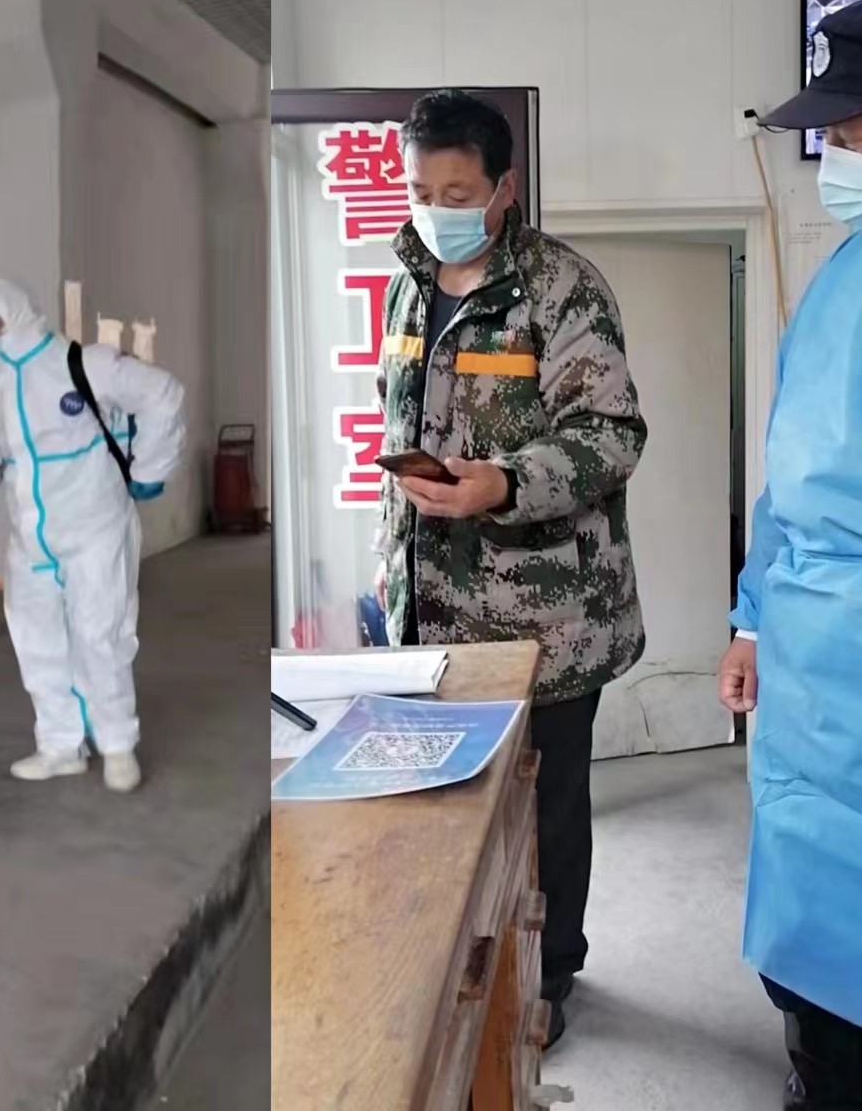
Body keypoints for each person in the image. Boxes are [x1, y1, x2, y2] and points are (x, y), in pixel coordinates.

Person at [373, 89, 647, 1046]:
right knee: (451, 808)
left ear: (504, 188)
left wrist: (504, 482)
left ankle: (550, 974)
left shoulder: (562, 288)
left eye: (458, 193)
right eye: (420, 191)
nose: (436, 209)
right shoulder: (409, 285)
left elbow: (611, 436)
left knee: (544, 810)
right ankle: (473, 962)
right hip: (430, 609)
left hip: (546, 623)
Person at [719, 0, 862, 1110]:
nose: (833, 157)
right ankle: (830, 1085)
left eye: (852, 132)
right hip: (810, 668)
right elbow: (788, 476)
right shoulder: (846, 270)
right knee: (808, 936)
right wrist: (751, 620)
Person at [0, 278, 185, 793]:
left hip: (95, 527)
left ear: (17, 312)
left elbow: (162, 394)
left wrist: (151, 467)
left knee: (100, 636)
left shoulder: (84, 365)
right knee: (36, 641)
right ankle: (61, 747)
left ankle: (117, 745)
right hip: (31, 541)